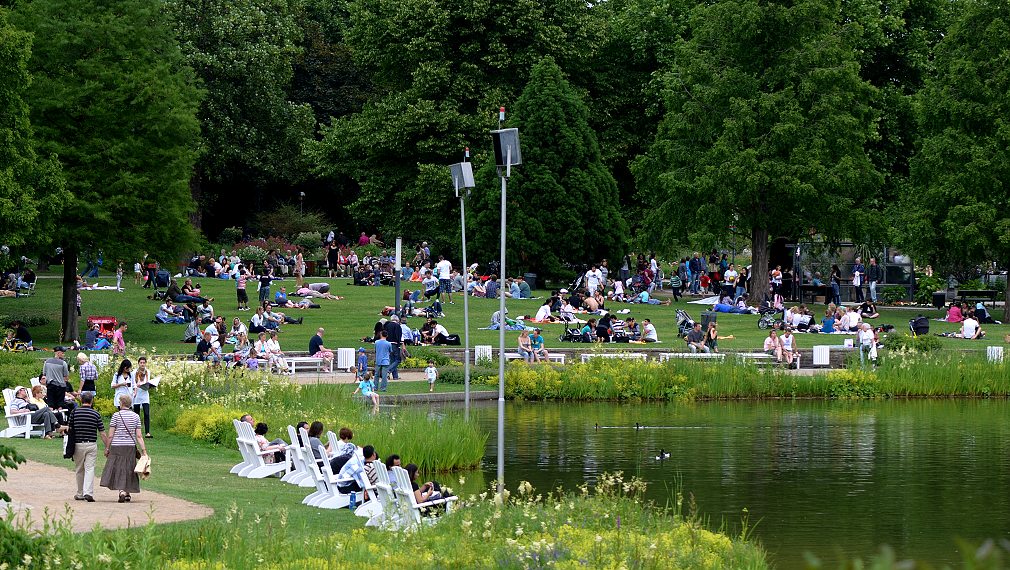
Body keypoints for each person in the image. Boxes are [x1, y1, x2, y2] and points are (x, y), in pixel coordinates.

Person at [100, 393, 147, 503]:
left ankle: (122, 491)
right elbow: (139, 436)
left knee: (119, 468)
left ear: (121, 403)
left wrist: (107, 447)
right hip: (130, 445)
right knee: (129, 468)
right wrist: (144, 450)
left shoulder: (116, 416)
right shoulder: (136, 416)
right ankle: (127, 492)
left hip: (117, 445)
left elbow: (111, 435)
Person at [70, 392, 107, 502]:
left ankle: (80, 493)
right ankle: (88, 492)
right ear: (92, 401)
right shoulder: (95, 414)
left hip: (78, 444)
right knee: (90, 468)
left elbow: (70, 428)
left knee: (79, 469)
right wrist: (107, 446)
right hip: (91, 444)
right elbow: (102, 433)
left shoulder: (75, 412)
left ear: (81, 400)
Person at [42, 346, 75, 411]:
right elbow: (66, 376)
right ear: (58, 353)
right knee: (60, 406)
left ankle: (51, 419)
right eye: (62, 353)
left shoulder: (47, 362)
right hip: (60, 387)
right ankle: (60, 419)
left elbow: (44, 373)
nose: (64, 354)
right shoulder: (63, 363)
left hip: (50, 386)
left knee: (50, 405)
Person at [133, 356, 153, 438]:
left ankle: (147, 432)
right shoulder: (134, 372)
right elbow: (133, 383)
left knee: (146, 413)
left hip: (145, 394)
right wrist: (136, 385)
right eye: (141, 363)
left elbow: (148, 382)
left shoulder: (148, 372)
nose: (142, 364)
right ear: (138, 363)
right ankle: (136, 431)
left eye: (144, 363)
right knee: (136, 414)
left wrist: (150, 385)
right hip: (137, 394)